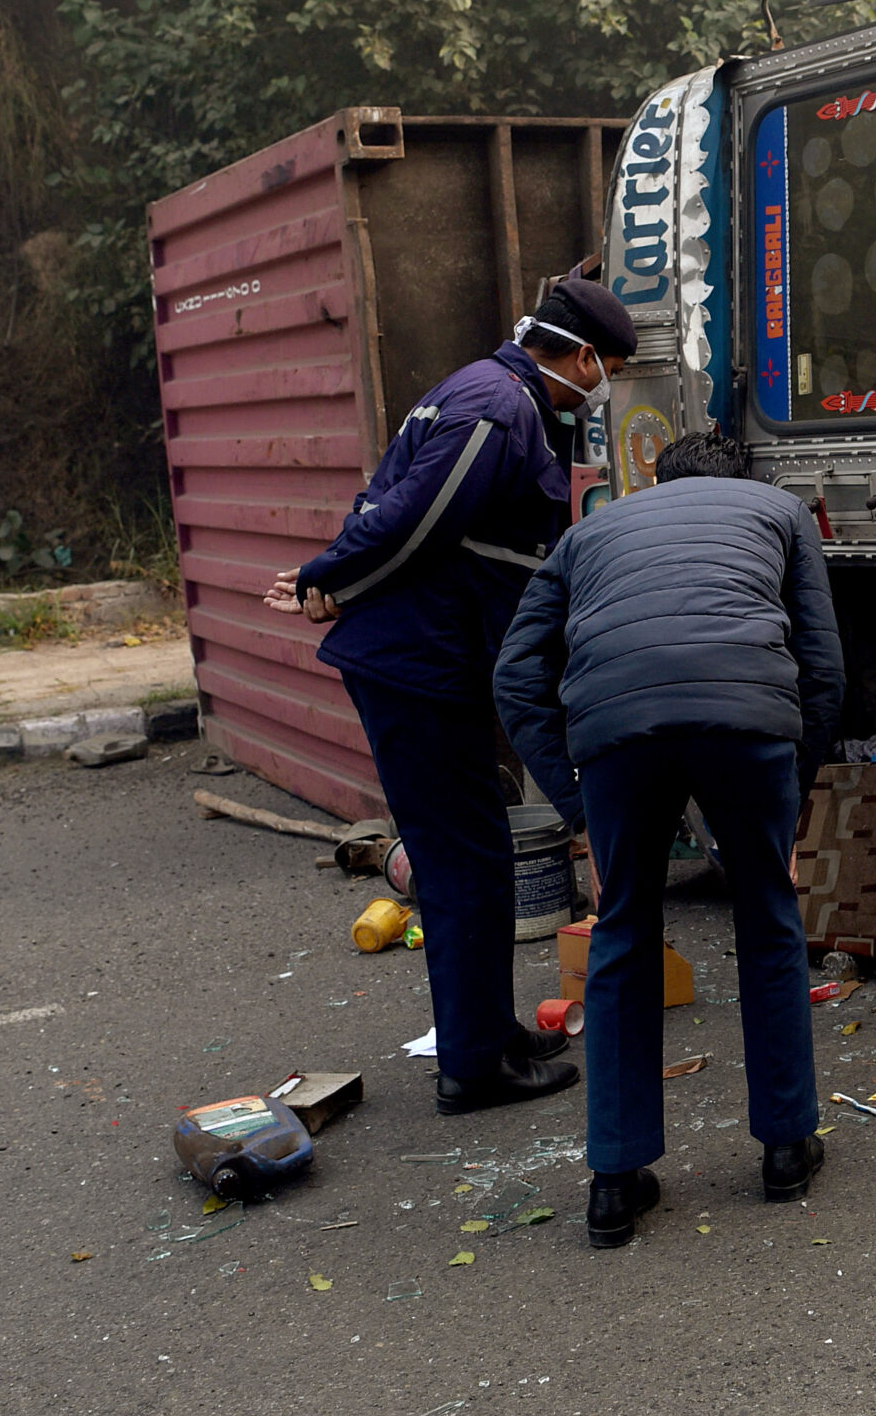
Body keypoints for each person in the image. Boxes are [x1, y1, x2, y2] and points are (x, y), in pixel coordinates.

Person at [263, 271, 636, 1116]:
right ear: (579, 356)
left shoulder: (484, 395)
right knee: (463, 862)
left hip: (434, 659)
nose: (602, 384)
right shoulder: (497, 408)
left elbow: (396, 508)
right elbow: (419, 522)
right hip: (417, 664)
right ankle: (472, 1066)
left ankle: (490, 1034)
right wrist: (332, 577)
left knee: (478, 853)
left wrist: (340, 580)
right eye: (605, 366)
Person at [494, 429, 843, 1248]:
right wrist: (794, 799)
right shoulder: (782, 511)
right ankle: (787, 1149)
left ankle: (615, 1184)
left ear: (655, 478)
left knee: (621, 937)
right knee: (767, 920)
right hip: (748, 722)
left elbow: (515, 673)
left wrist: (579, 809)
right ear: (742, 478)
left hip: (617, 733)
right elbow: (823, 665)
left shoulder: (589, 533)